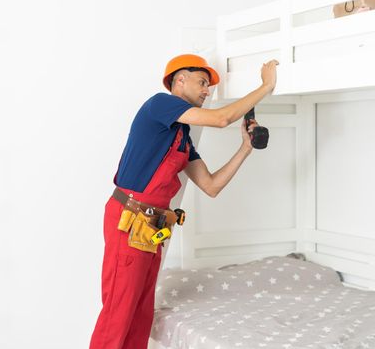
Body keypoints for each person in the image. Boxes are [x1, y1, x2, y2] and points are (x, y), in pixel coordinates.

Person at [89, 54, 278, 349]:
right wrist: (265, 86)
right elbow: (222, 118)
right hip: (128, 221)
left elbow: (211, 185)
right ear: (180, 80)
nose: (206, 91)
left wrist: (245, 149)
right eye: (202, 83)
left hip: (149, 228)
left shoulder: (182, 137)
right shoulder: (159, 104)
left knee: (139, 313)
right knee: (118, 312)